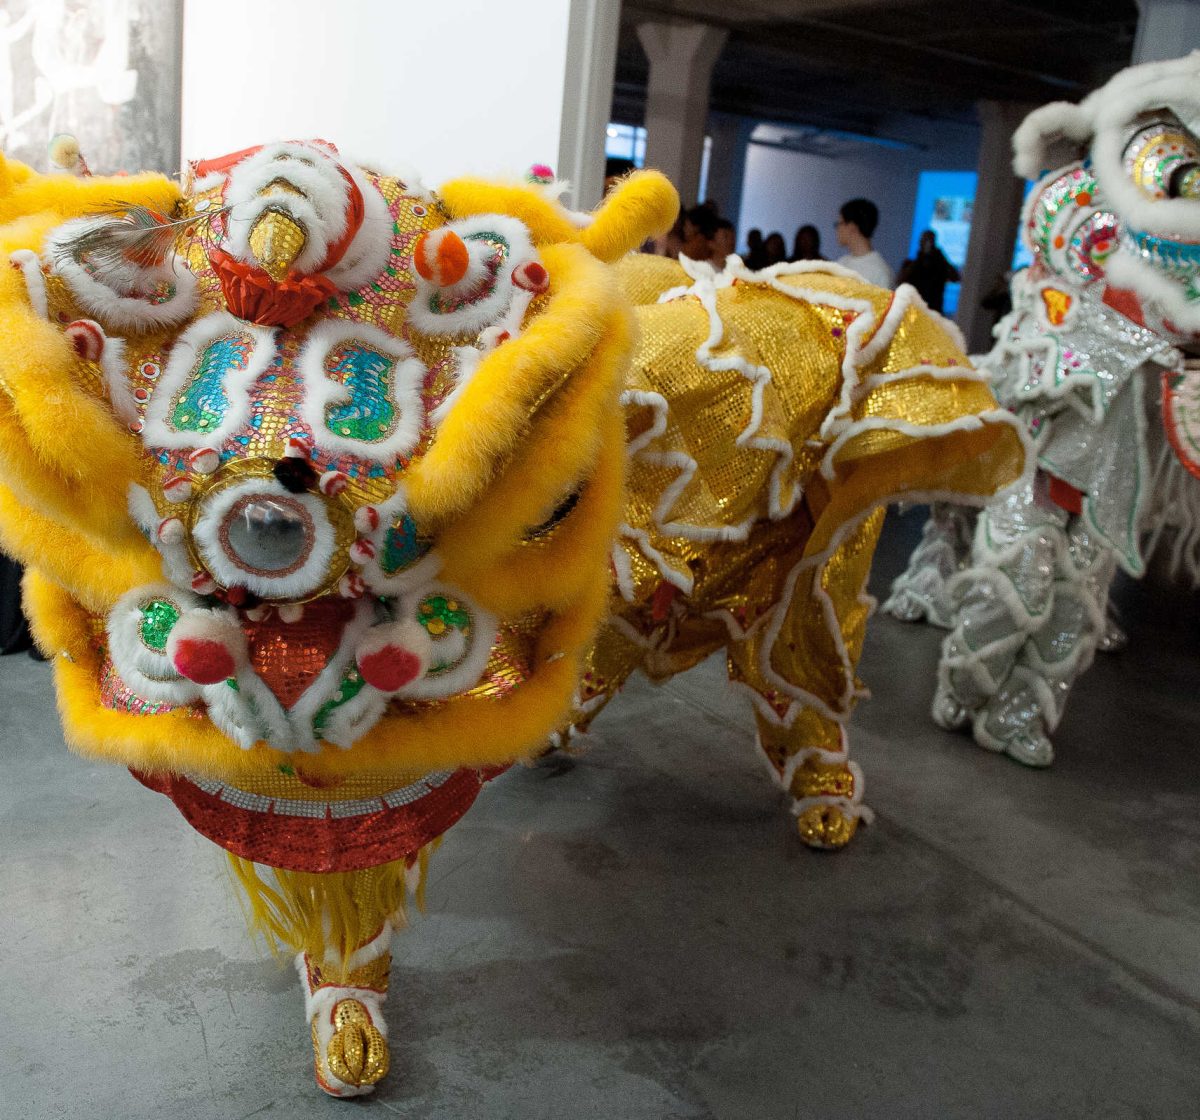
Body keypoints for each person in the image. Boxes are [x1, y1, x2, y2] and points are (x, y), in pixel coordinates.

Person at [834, 198, 893, 288]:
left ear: (851, 226)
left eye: (839, 223)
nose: (837, 229)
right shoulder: (841, 262)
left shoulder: (880, 272)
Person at [897, 230, 960, 312]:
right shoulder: (911, 264)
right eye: (925, 241)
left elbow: (955, 277)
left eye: (930, 241)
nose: (927, 245)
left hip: (933, 312)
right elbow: (900, 281)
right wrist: (919, 260)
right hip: (914, 310)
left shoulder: (940, 265)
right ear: (920, 242)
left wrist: (942, 258)